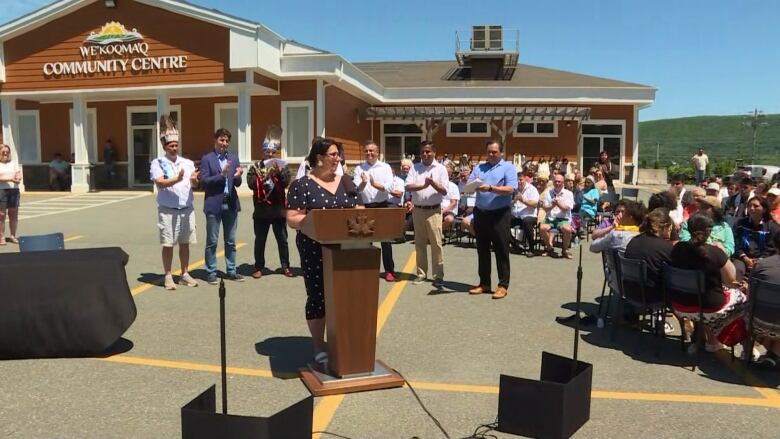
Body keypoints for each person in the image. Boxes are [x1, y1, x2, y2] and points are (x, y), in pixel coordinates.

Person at [286, 137, 363, 365]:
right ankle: (319, 345)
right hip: (313, 248)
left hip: (347, 249)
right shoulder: (302, 185)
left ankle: (343, 342)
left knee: (345, 296)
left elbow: (360, 210)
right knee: (318, 296)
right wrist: (316, 222)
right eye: (333, 154)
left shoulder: (347, 182)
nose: (337, 158)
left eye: (338, 154)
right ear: (319, 158)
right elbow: (292, 218)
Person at [669, 214, 747, 352]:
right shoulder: (716, 252)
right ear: (709, 231)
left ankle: (700, 338)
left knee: (703, 301)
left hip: (680, 303)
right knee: (742, 299)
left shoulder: (677, 248)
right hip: (709, 305)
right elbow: (730, 280)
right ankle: (720, 340)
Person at [149, 115, 200, 290]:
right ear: (164, 146)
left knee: (185, 243)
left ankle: (184, 273)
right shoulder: (158, 163)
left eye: (176, 145)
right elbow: (160, 182)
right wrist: (176, 179)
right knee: (168, 244)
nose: (174, 148)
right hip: (168, 210)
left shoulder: (187, 163)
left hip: (187, 209)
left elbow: (194, 184)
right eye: (171, 146)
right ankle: (168, 275)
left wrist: (194, 180)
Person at [467, 140, 518, 299]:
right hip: (481, 213)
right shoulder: (479, 167)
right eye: (488, 152)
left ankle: (503, 285)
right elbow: (469, 184)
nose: (491, 154)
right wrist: (472, 186)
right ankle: (484, 283)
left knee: (501, 250)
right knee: (482, 250)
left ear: (501, 153)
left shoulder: (508, 168)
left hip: (500, 214)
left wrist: (490, 188)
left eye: (494, 152)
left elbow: (511, 189)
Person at [199, 128, 244, 285]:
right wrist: (222, 175)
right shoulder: (207, 159)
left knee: (231, 240)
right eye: (221, 140)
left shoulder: (233, 158)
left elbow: (237, 183)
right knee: (212, 240)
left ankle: (231, 270)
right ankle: (211, 271)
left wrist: (238, 176)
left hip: (230, 203)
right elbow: (204, 182)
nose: (224, 143)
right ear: (215, 140)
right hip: (214, 204)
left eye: (226, 141)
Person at [246, 135, 293, 279]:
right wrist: (265, 177)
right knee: (260, 240)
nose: (270, 154)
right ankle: (259, 267)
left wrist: (278, 173)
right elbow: (251, 184)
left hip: (278, 210)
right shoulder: (255, 167)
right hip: (262, 210)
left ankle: (285, 266)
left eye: (273, 152)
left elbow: (286, 182)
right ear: (263, 151)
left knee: (282, 240)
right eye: (267, 151)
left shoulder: (282, 166)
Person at [405, 140, 449, 288]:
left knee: (436, 244)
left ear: (434, 152)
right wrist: (423, 185)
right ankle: (421, 273)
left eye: (428, 151)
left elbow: (444, 190)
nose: (425, 154)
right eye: (423, 151)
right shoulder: (414, 168)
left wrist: (432, 183)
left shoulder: (441, 169)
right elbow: (408, 186)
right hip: (417, 210)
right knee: (420, 244)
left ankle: (438, 276)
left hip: (434, 211)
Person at [354, 140, 397, 281]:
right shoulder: (359, 169)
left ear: (378, 152)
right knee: (366, 241)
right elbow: (356, 189)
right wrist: (363, 183)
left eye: (371, 151)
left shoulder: (385, 167)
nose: (369, 153)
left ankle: (389, 271)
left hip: (382, 205)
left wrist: (374, 184)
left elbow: (390, 187)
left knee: (386, 240)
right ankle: (368, 270)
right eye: (366, 151)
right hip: (366, 207)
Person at [589, 200, 647, 296]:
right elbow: (594, 239)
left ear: (630, 217)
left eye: (623, 213)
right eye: (617, 212)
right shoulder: (614, 230)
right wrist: (612, 227)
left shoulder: (633, 234)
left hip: (618, 281)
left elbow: (593, 246)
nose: (620, 215)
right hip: (634, 282)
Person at [624, 208, 674, 303]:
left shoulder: (634, 240)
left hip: (629, 291)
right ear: (666, 226)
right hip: (652, 296)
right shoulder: (665, 246)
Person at [750, 231, 780, 367]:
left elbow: (751, 294)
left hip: (758, 322)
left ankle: (773, 354)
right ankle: (775, 354)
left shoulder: (761, 265)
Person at [732, 196, 779, 280]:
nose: (751, 208)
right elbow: (736, 242)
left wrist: (759, 260)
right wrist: (744, 257)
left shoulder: (772, 227)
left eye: (756, 206)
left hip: (764, 260)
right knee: (737, 270)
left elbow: (771, 248)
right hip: (742, 258)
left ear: (764, 209)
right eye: (749, 206)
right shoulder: (740, 224)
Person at [539, 173, 575, 258]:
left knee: (567, 229)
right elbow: (546, 208)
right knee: (542, 228)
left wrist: (558, 203)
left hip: (563, 218)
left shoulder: (568, 193)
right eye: (556, 181)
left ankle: (565, 250)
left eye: (559, 182)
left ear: (563, 183)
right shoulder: (548, 193)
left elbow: (566, 208)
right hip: (550, 218)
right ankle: (549, 247)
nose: (557, 183)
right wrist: (553, 205)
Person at [510, 170, 539, 256]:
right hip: (516, 215)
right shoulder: (513, 189)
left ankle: (531, 248)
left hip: (529, 215)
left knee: (527, 222)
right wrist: (513, 201)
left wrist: (523, 200)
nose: (519, 182)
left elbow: (534, 204)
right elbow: (508, 203)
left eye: (520, 180)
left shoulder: (532, 189)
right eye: (517, 180)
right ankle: (515, 245)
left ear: (525, 179)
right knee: (503, 222)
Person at [0, 144, 22, 246]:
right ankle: (2, 237)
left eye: (7, 152)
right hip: (2, 191)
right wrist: (9, 178)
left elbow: (18, 173)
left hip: (14, 190)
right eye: (3, 151)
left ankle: (13, 236)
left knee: (13, 214)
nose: (5, 153)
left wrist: (18, 178)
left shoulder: (13, 163)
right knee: (1, 215)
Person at [441, 164, 460, 233]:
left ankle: (437, 232)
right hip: (435, 209)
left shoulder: (453, 186)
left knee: (449, 219)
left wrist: (443, 211)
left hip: (448, 210)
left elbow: (453, 203)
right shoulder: (436, 184)